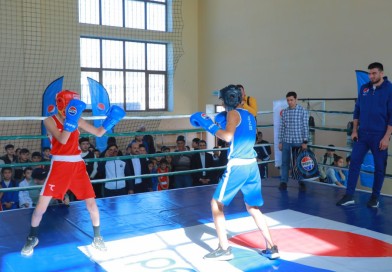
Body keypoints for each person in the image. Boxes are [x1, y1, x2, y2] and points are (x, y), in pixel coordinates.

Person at [21, 89, 125, 256]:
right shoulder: (49, 120)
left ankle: (97, 237)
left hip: (77, 165)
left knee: (91, 204)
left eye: (73, 106)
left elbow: (98, 133)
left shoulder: (78, 119)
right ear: (62, 105)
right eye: (68, 105)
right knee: (41, 206)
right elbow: (62, 139)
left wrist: (111, 121)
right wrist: (71, 119)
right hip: (59, 165)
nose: (71, 108)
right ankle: (32, 237)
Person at [190, 84, 279, 261]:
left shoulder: (232, 114)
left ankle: (224, 249)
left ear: (228, 99)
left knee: (216, 204)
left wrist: (209, 126)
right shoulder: (251, 115)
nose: (221, 103)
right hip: (252, 166)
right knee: (252, 207)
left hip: (238, 165)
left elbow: (228, 136)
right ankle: (271, 247)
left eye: (222, 99)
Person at [336, 62, 392, 208]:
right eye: (369, 73)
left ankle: (375, 197)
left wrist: (386, 137)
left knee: (379, 167)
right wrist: (354, 130)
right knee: (354, 162)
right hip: (362, 135)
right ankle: (349, 195)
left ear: (381, 73)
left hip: (379, 136)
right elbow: (357, 110)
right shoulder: (364, 88)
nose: (371, 76)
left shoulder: (389, 89)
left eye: (374, 73)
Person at [278, 91, 309, 191]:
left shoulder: (302, 111)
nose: (289, 102)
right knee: (285, 162)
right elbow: (282, 127)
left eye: (291, 100)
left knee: (299, 162)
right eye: (288, 100)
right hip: (286, 140)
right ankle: (283, 182)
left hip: (298, 141)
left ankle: (301, 182)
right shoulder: (285, 112)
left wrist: (305, 141)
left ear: (296, 99)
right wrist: (280, 141)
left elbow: (305, 126)